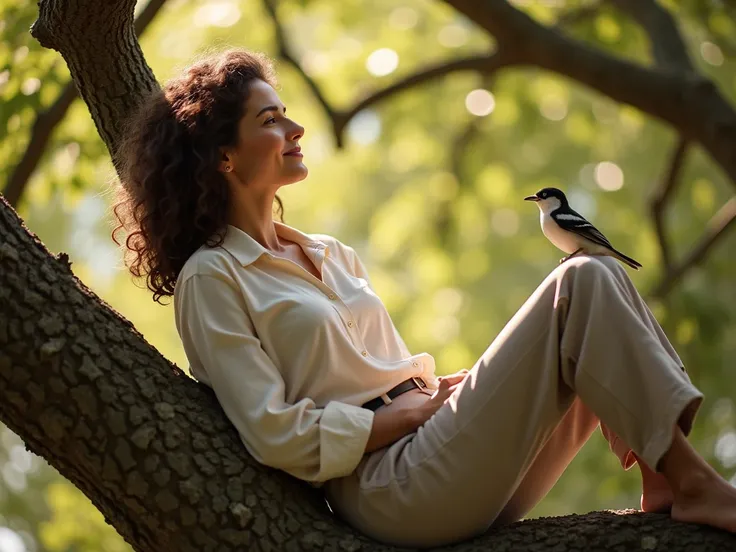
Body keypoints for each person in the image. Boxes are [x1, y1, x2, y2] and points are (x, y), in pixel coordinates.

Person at [112, 48, 736, 548]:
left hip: (438, 448)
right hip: (389, 489)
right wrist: (406, 415)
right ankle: (694, 483)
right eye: (270, 120)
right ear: (222, 155)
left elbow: (390, 371)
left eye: (286, 113)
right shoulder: (212, 279)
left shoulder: (330, 253)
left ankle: (668, 477)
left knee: (600, 273)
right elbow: (274, 434)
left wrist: (445, 397)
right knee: (583, 280)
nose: (295, 127)